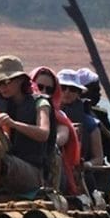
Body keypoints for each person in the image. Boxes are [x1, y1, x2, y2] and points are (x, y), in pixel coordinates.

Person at [0, 55, 56, 200]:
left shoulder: (40, 104)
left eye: (6, 82)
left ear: (21, 80)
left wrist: (13, 124)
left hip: (33, 173)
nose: (2, 87)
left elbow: (44, 133)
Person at [30, 66, 81, 196]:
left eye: (50, 89)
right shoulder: (20, 108)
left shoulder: (58, 115)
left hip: (48, 165)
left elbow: (62, 134)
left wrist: (48, 140)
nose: (44, 92)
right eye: (40, 87)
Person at [57, 68, 104, 195]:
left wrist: (87, 165)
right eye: (63, 87)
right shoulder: (44, 114)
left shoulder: (90, 123)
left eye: (72, 89)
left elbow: (98, 158)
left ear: (78, 93)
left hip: (80, 175)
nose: (67, 92)